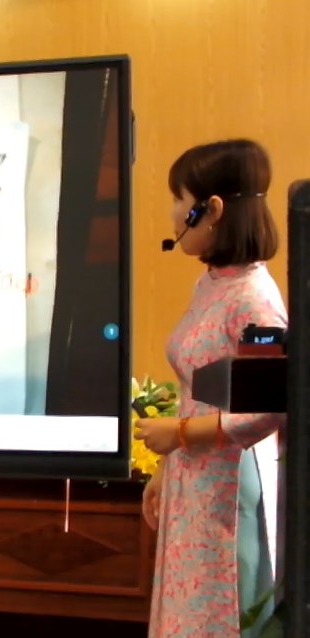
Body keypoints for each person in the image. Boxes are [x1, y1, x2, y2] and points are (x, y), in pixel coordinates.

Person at [134, 139, 285, 638]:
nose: (174, 213)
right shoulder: (211, 284)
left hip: (227, 485)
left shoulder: (253, 298)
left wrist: (180, 433)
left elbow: (268, 406)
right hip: (193, 477)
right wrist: (168, 466)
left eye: (179, 199)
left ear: (211, 209)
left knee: (219, 618)